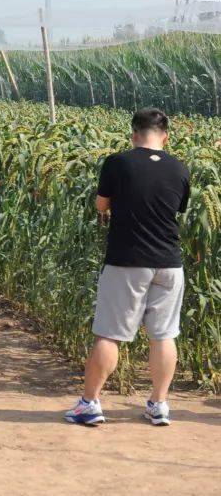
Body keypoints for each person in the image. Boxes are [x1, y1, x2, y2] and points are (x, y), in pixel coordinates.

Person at [65, 108, 190, 428]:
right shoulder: (179, 167)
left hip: (127, 261)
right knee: (163, 335)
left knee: (109, 334)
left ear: (134, 134)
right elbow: (178, 208)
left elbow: (101, 204)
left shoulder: (118, 163)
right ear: (165, 136)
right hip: (169, 263)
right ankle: (159, 404)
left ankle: (89, 403)